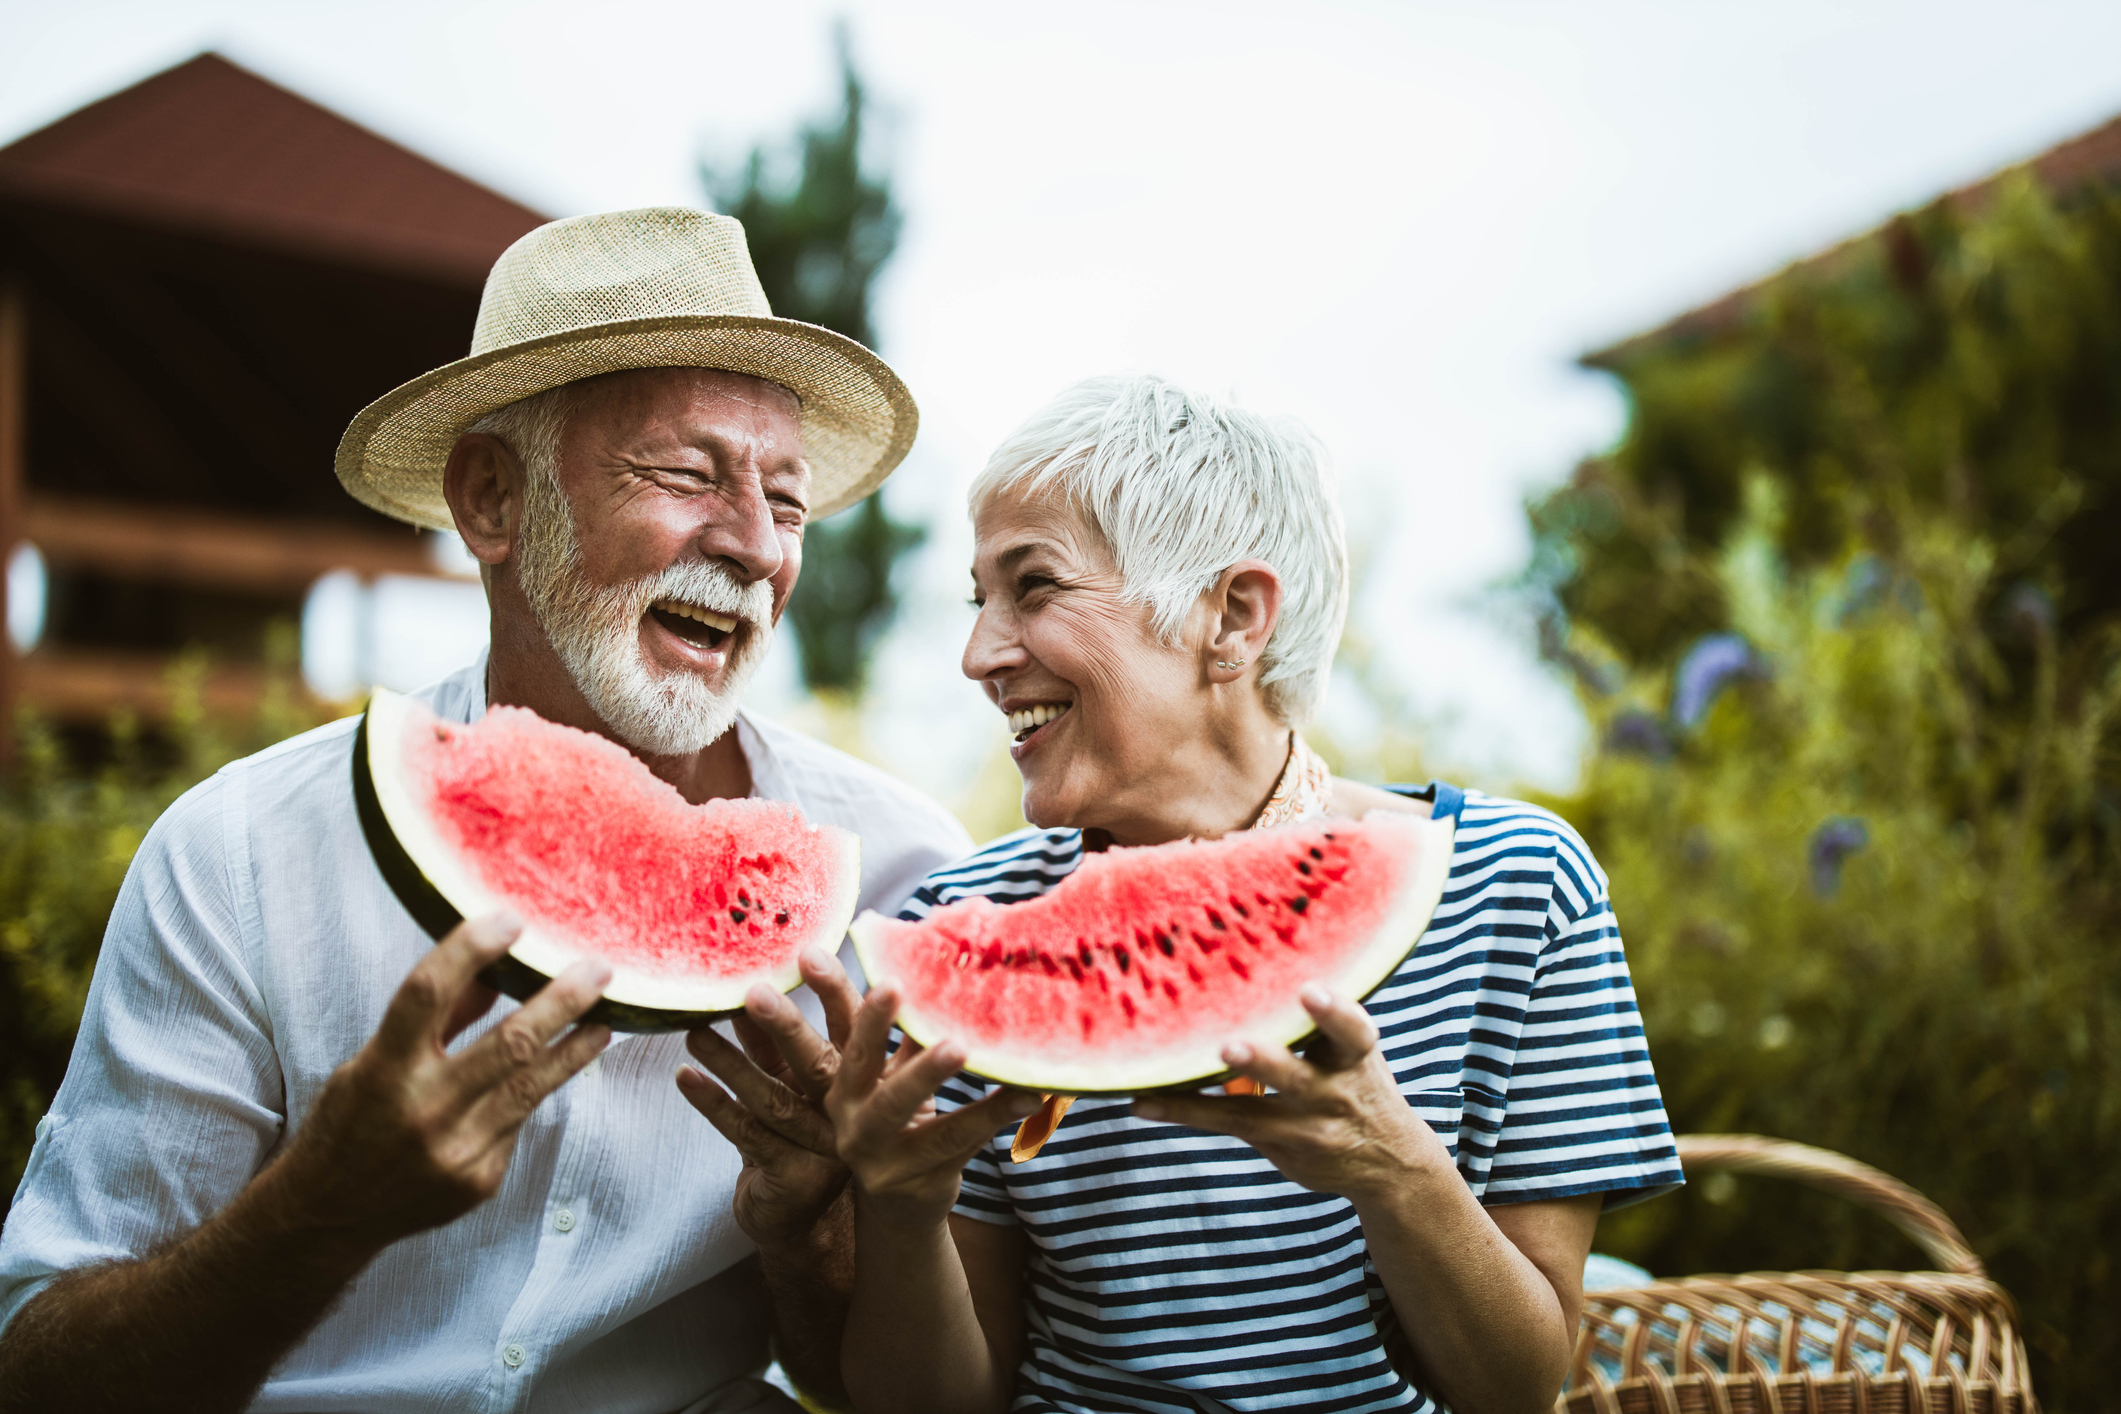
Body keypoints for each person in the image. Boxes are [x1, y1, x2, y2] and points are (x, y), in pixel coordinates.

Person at [0, 207, 970, 1414]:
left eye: (789, 500)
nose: (755, 547)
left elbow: (895, 1387)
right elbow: (38, 1374)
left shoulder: (903, 877)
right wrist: (315, 1215)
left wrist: (809, 1237)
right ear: (493, 499)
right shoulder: (241, 854)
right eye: (687, 473)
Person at [716, 375, 1685, 1413]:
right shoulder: (958, 925)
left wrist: (1393, 1169)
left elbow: (1520, 1387)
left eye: (1033, 586)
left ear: (1233, 615)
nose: (979, 653)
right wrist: (902, 1211)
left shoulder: (1515, 882)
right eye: (978, 599)